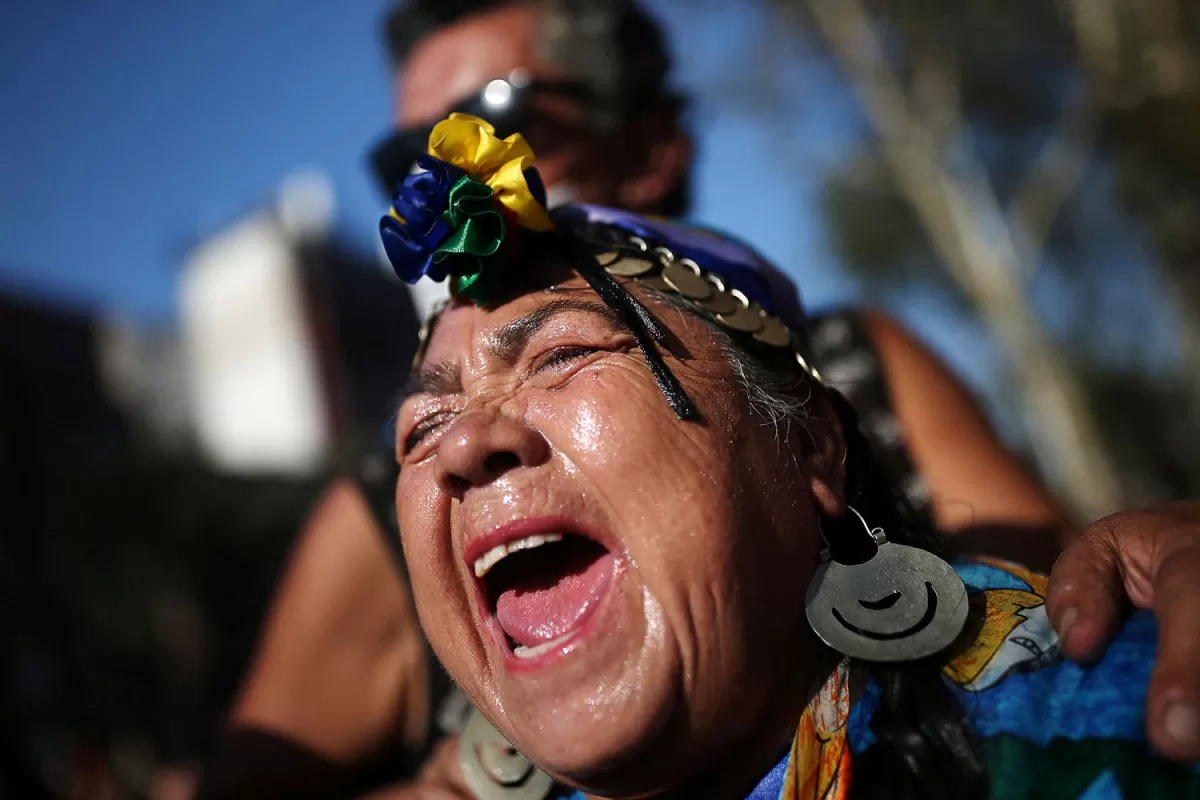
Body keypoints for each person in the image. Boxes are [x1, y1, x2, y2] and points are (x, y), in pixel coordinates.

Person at [200, 3, 1200, 796]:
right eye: (410, 158)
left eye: (492, 120)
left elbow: (1065, 606)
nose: (452, 175)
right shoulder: (391, 498)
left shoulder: (861, 364)